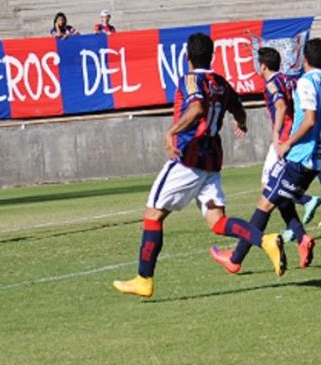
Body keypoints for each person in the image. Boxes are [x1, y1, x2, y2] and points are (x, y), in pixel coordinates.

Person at [113, 33, 284, 298]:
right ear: (212, 56)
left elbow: (196, 109)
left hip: (188, 157)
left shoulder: (191, 79)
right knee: (217, 221)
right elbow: (239, 109)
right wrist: (241, 122)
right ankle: (265, 240)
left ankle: (144, 278)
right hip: (211, 161)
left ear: (188, 56)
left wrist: (171, 132)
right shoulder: (221, 83)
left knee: (153, 215)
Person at [210, 39, 321, 274]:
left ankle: (236, 257)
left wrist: (280, 139)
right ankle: (301, 237)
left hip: (296, 151)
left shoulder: (296, 82)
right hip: (312, 154)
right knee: (279, 196)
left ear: (305, 60)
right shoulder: (290, 80)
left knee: (265, 201)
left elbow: (292, 111)